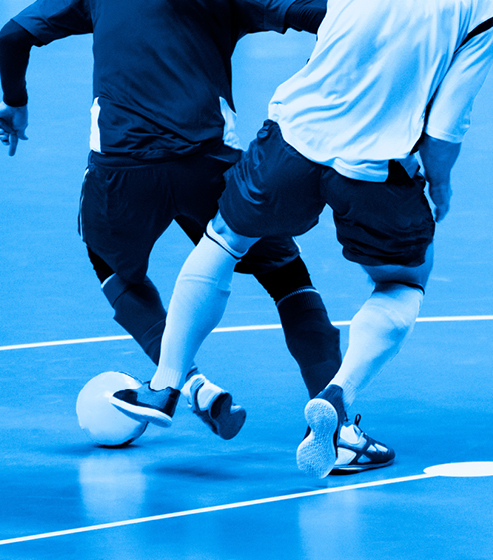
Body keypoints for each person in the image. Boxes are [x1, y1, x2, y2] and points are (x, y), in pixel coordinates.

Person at [0, 0, 394, 470]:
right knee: (288, 278)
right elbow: (327, 16)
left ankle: (183, 384)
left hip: (122, 170)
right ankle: (340, 431)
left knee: (111, 265)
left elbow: (12, 36)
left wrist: (15, 103)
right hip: (208, 165)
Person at [110, 0, 493, 477]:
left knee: (223, 240)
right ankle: (338, 402)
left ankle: (164, 385)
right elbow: (445, 129)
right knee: (403, 282)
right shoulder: (480, 11)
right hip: (376, 169)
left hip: (290, 143)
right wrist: (440, 185)